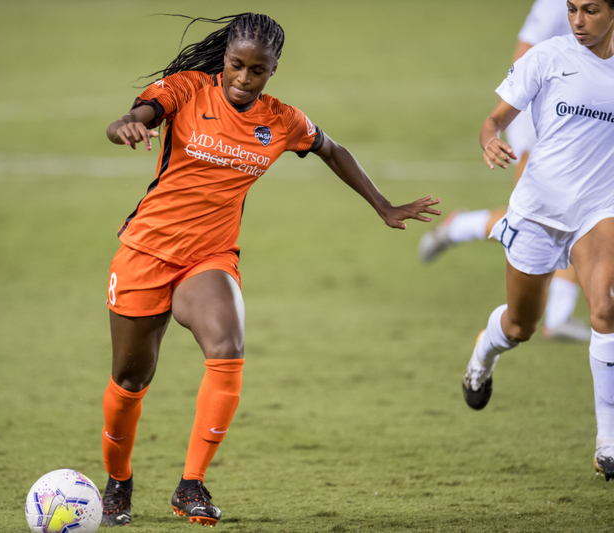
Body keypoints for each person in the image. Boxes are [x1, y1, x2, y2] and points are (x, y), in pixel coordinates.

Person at [99, 13, 441, 527]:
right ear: (225, 60)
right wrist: (127, 124)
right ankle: (118, 482)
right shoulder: (189, 89)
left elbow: (332, 149)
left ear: (272, 70)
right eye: (236, 65)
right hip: (146, 252)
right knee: (130, 379)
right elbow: (139, 113)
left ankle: (191, 484)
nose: (243, 78)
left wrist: (383, 205)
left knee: (228, 348)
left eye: (257, 71)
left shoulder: (281, 120)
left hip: (209, 257)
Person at [460, 0, 614, 481]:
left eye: (590, 10)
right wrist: (490, 140)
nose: (577, 21)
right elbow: (494, 120)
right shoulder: (548, 57)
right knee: (520, 326)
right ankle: (483, 356)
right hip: (539, 211)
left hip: (598, 209)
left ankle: (608, 442)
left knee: (606, 307)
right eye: (571, 9)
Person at [418, 0, 591, 342]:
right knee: (545, 213)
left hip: (585, 122)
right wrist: (531, 117)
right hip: (545, 119)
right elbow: (526, 50)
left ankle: (558, 316)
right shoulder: (558, 2)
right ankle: (459, 227)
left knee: (578, 208)